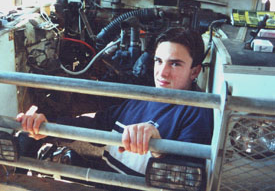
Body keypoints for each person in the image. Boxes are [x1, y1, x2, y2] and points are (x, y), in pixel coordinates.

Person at [16, 27, 214, 176]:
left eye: (175, 64)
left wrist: (159, 149)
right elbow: (97, 123)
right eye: (158, 61)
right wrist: (48, 126)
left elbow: (187, 177)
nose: (162, 72)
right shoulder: (141, 100)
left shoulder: (198, 113)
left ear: (195, 71)